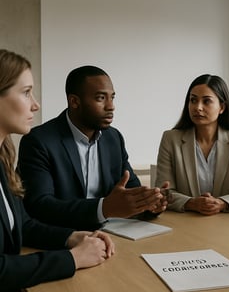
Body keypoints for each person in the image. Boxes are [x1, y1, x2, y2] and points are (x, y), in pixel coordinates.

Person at [0, 49, 115, 292]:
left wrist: (71, 237)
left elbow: (23, 225)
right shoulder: (38, 142)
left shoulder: (3, 156)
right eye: (26, 92)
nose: (35, 105)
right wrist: (73, 259)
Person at [17, 65, 168, 231]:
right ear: (74, 101)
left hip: (113, 235)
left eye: (112, 98)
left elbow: (130, 191)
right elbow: (40, 206)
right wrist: (103, 209)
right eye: (101, 98)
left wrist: (149, 203)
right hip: (62, 239)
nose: (111, 106)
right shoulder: (39, 141)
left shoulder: (113, 138)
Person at [155, 74, 229, 215]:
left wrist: (220, 203)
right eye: (193, 100)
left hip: (226, 224)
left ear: (222, 107)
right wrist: (191, 203)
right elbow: (164, 192)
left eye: (206, 101)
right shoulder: (171, 139)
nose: (198, 107)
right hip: (183, 222)